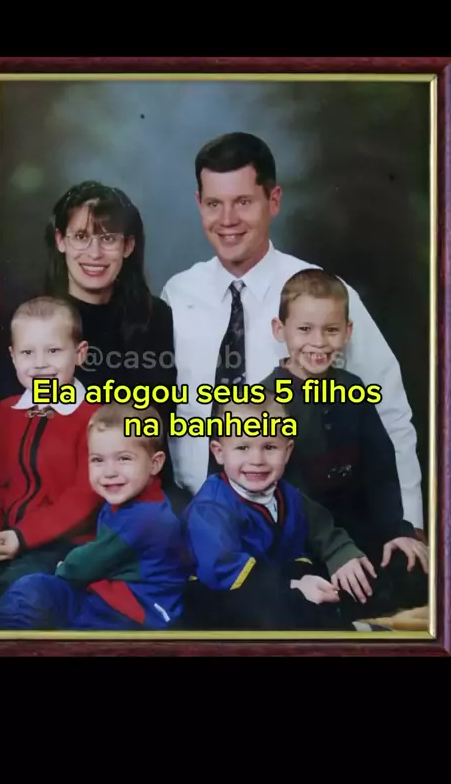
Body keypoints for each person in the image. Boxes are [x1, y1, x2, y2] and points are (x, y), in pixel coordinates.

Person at [161, 132, 424, 530]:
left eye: (243, 202)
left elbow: (389, 412)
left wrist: (409, 524)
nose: (227, 219)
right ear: (199, 204)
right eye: (214, 203)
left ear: (274, 200)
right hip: (192, 518)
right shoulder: (178, 294)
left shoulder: (324, 295)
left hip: (298, 527)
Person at [261, 268, 428, 620]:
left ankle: (352, 604)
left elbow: (380, 472)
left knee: (418, 570)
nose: (319, 342)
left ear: (347, 332)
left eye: (331, 330)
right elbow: (279, 494)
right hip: (299, 541)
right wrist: (336, 551)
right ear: (280, 330)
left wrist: (397, 532)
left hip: (358, 535)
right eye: (305, 329)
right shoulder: (263, 401)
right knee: (301, 596)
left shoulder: (354, 390)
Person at [0, 180, 177, 489]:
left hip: (138, 488)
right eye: (81, 237)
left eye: (108, 238)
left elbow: (162, 419)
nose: (94, 253)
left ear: (128, 246)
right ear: (60, 240)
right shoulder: (28, 321)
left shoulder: (156, 317)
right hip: (55, 488)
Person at [182, 394, 389, 631]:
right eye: (243, 447)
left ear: (287, 451)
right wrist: (295, 586)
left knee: (345, 577)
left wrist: (309, 577)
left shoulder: (287, 495)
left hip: (277, 580)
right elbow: (222, 571)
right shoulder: (210, 508)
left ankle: (345, 619)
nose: (257, 460)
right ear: (219, 452)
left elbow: (305, 542)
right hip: (220, 596)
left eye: (269, 447)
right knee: (279, 609)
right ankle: (344, 631)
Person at [0, 402, 189, 631]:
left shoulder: (145, 518)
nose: (109, 472)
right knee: (34, 588)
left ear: (155, 464)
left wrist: (63, 567)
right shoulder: (132, 501)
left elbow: (85, 564)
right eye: (98, 460)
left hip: (135, 612)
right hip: (108, 596)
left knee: (35, 594)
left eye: (124, 459)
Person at [0, 296, 103, 598]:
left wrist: (22, 536)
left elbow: (85, 497)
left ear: (80, 354)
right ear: (13, 357)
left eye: (53, 351)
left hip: (61, 543)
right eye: (27, 352)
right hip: (2, 536)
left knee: (14, 590)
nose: (40, 363)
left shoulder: (94, 418)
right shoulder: (3, 412)